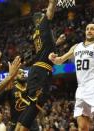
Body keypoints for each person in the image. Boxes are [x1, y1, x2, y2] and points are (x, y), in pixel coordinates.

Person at [17, 0, 58, 130]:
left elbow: (46, 48)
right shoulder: (42, 25)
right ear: (39, 20)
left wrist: (58, 42)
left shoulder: (36, 33)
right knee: (36, 104)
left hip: (37, 68)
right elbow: (49, 14)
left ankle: (18, 128)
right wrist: (53, 3)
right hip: (41, 70)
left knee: (31, 104)